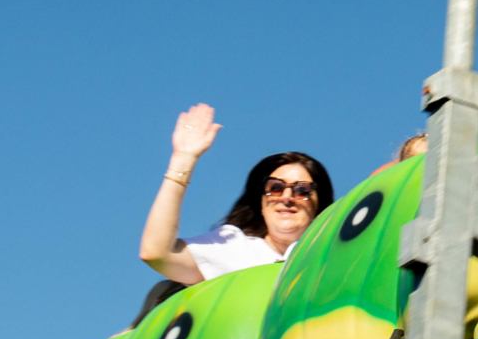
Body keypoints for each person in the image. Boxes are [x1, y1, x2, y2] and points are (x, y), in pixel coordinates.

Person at [139, 103, 335, 286]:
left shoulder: (332, 256)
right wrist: (183, 159)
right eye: (275, 187)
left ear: (319, 207)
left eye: (302, 190)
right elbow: (157, 253)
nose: (287, 197)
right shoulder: (234, 249)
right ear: (261, 204)